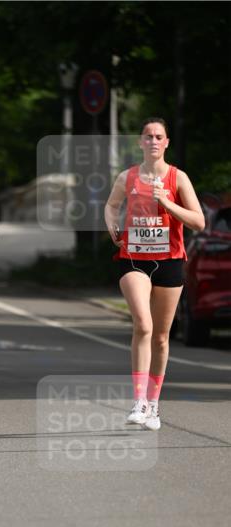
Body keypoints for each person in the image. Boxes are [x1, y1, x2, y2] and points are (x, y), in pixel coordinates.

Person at [105, 118, 204, 430]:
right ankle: (138, 401)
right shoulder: (128, 176)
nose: (152, 141)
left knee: (161, 336)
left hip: (170, 260)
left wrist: (167, 203)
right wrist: (112, 226)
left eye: (158, 136)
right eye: (147, 136)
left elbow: (198, 221)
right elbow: (111, 206)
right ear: (140, 142)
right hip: (134, 258)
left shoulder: (178, 178)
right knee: (143, 325)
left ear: (166, 143)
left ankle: (153, 405)